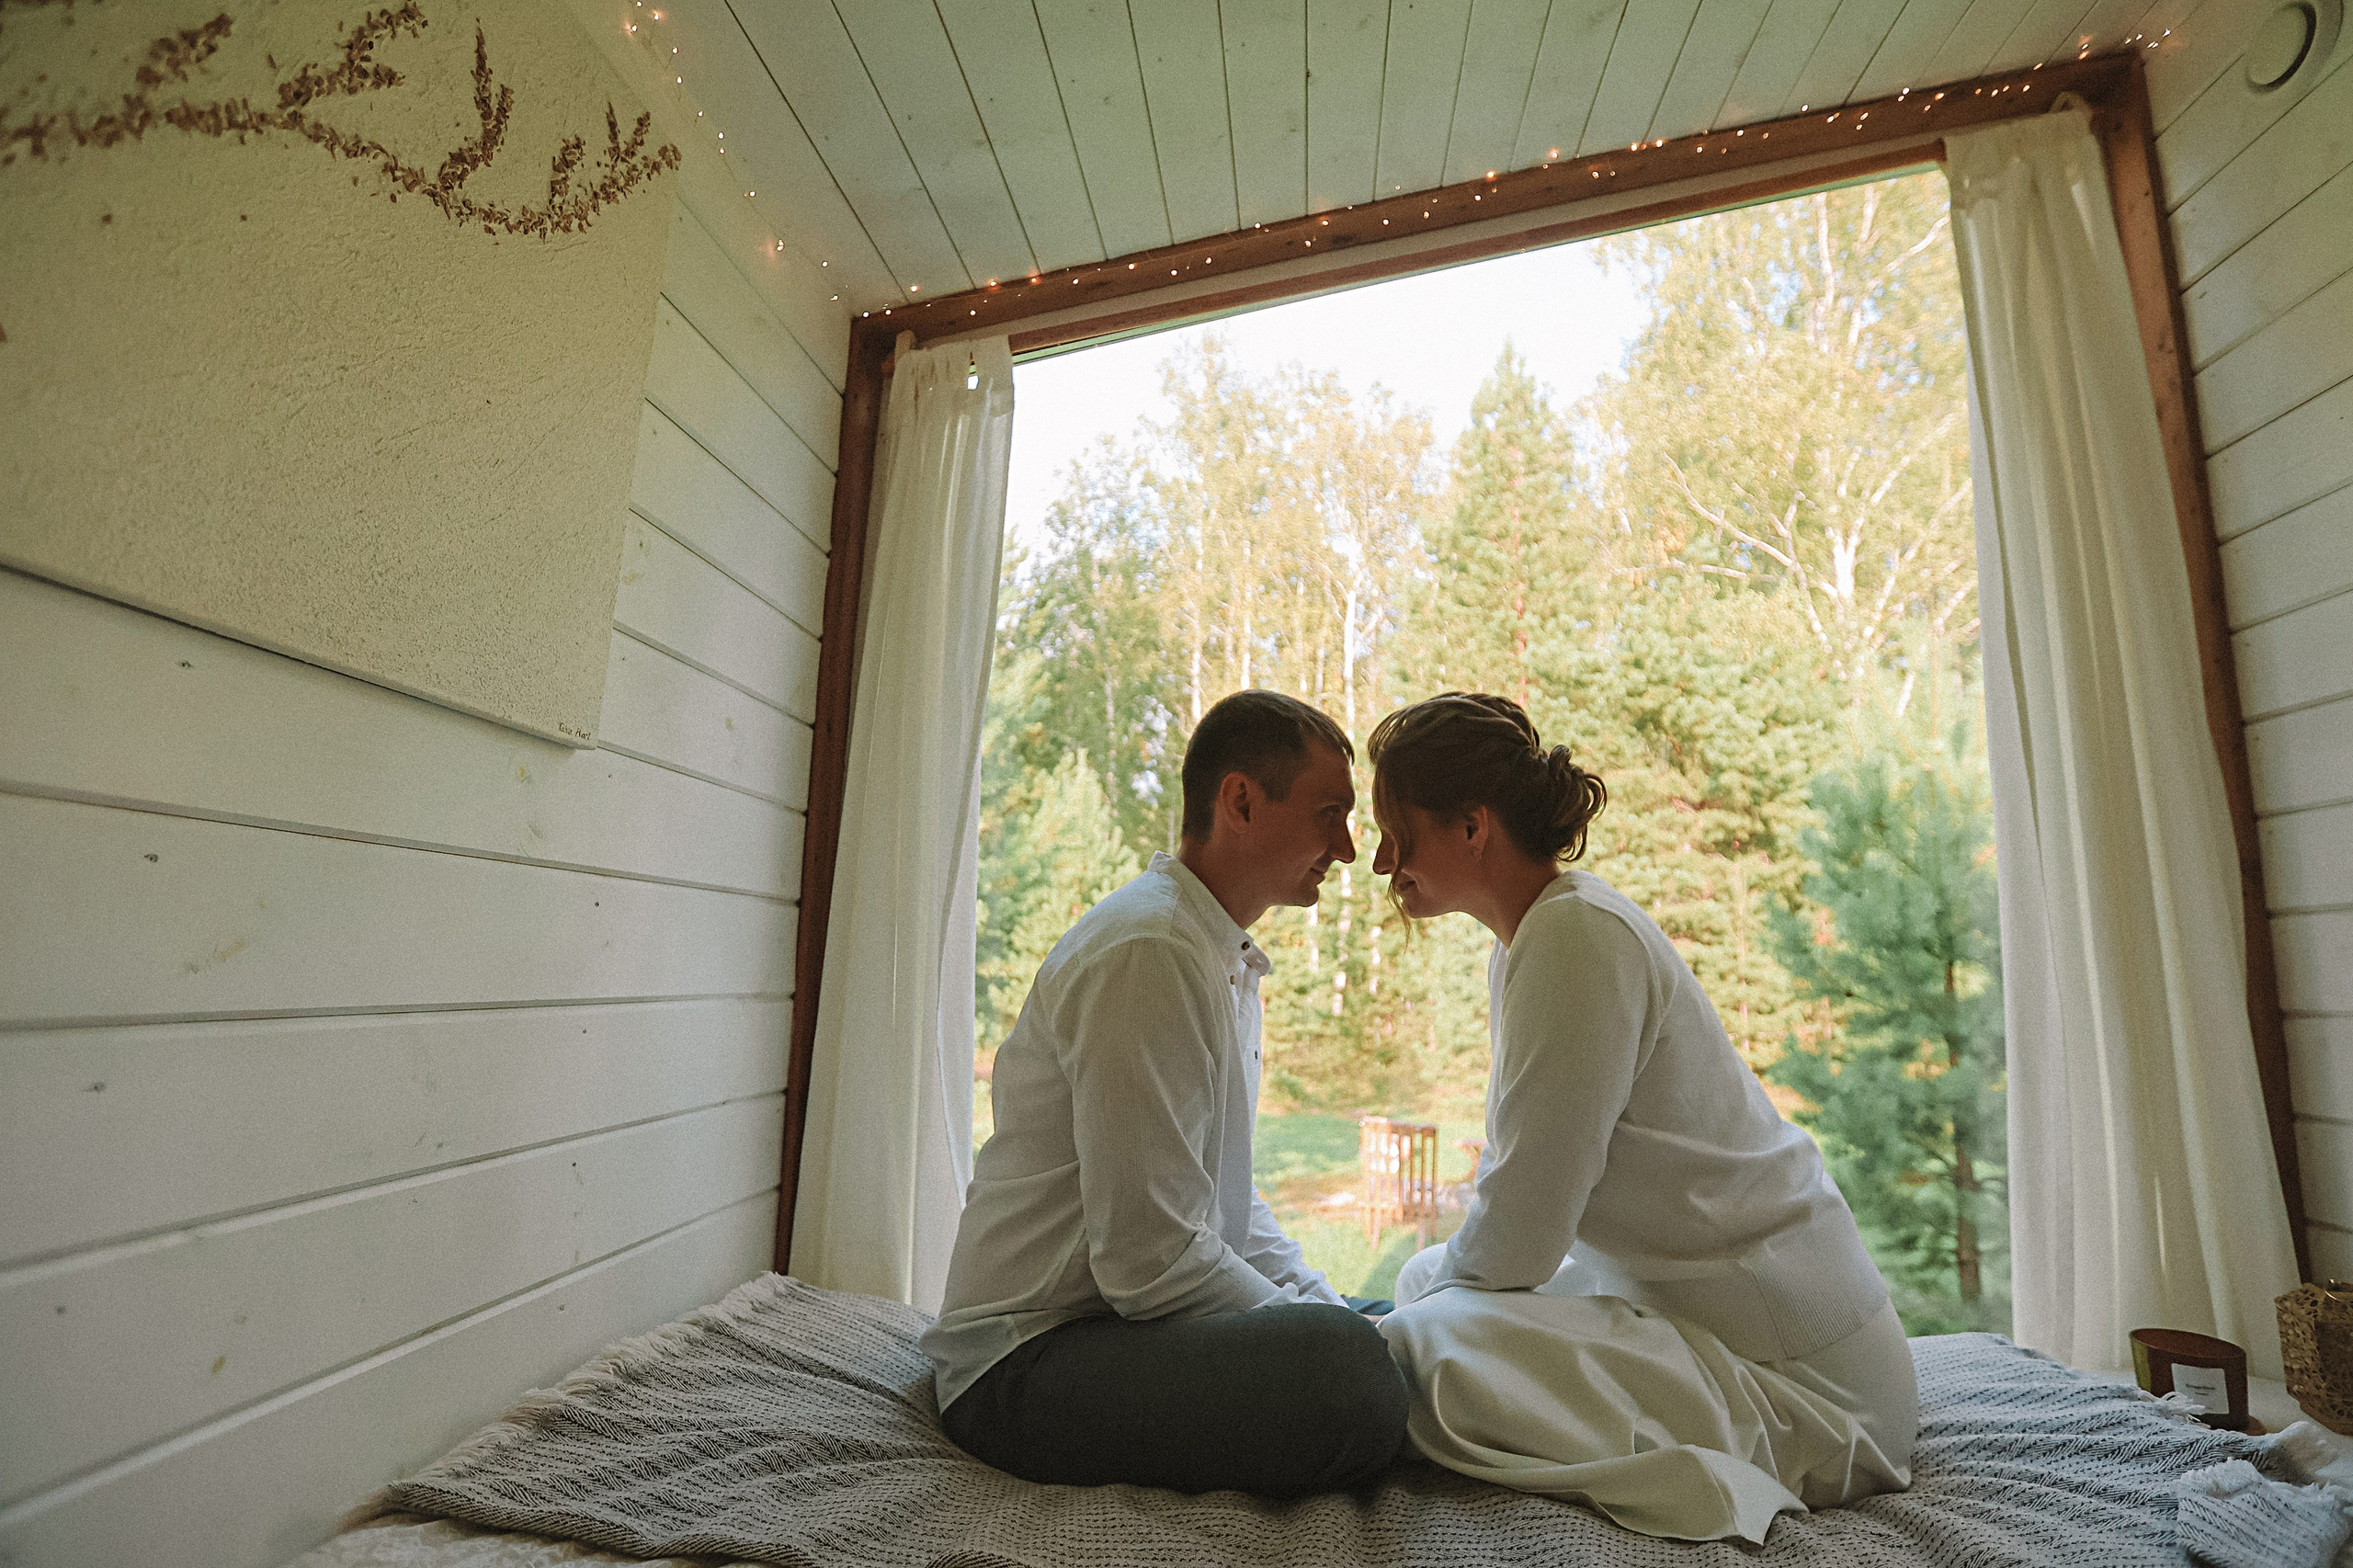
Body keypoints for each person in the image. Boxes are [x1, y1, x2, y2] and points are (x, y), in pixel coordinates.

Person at [1364, 691, 1918, 1544]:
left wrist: (1406, 1324)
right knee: (1419, 1294)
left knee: (1419, 1345)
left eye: (1396, 835)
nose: (1380, 864)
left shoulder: (1575, 938)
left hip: (1812, 1385)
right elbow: (1521, 1215)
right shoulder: (1530, 944)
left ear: (1472, 826)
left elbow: (1520, 1240)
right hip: (1699, 1315)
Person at [923, 689, 1409, 1496]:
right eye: (1329, 813)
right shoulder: (1150, 952)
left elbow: (1228, 1208)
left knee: (1375, 1321)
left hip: (1111, 1332)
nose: (1350, 848)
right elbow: (1150, 1267)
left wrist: (1334, 1310)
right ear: (1241, 801)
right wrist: (1335, 1338)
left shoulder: (1214, 955)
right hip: (1023, 1366)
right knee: (1350, 1377)